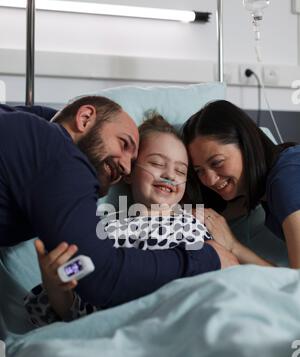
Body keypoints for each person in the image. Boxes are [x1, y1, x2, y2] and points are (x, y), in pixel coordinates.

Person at [0, 97, 238, 312]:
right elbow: (87, 291)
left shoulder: (195, 225)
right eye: (124, 144)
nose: (125, 164)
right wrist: (57, 285)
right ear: (83, 118)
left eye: (180, 170)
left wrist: (228, 250)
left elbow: (230, 285)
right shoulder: (102, 227)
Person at [182, 99, 300, 268]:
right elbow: (215, 215)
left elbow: (298, 285)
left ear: (246, 145)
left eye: (217, 162)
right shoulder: (265, 188)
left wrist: (234, 247)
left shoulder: (286, 180)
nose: (209, 180)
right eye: (199, 170)